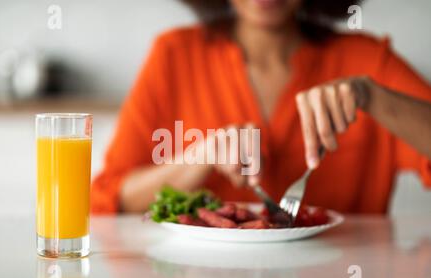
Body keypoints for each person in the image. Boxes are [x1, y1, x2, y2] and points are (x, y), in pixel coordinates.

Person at [92, 0, 431, 214]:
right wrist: (200, 158)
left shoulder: (368, 60)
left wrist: (372, 97)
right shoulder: (174, 55)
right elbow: (108, 200)